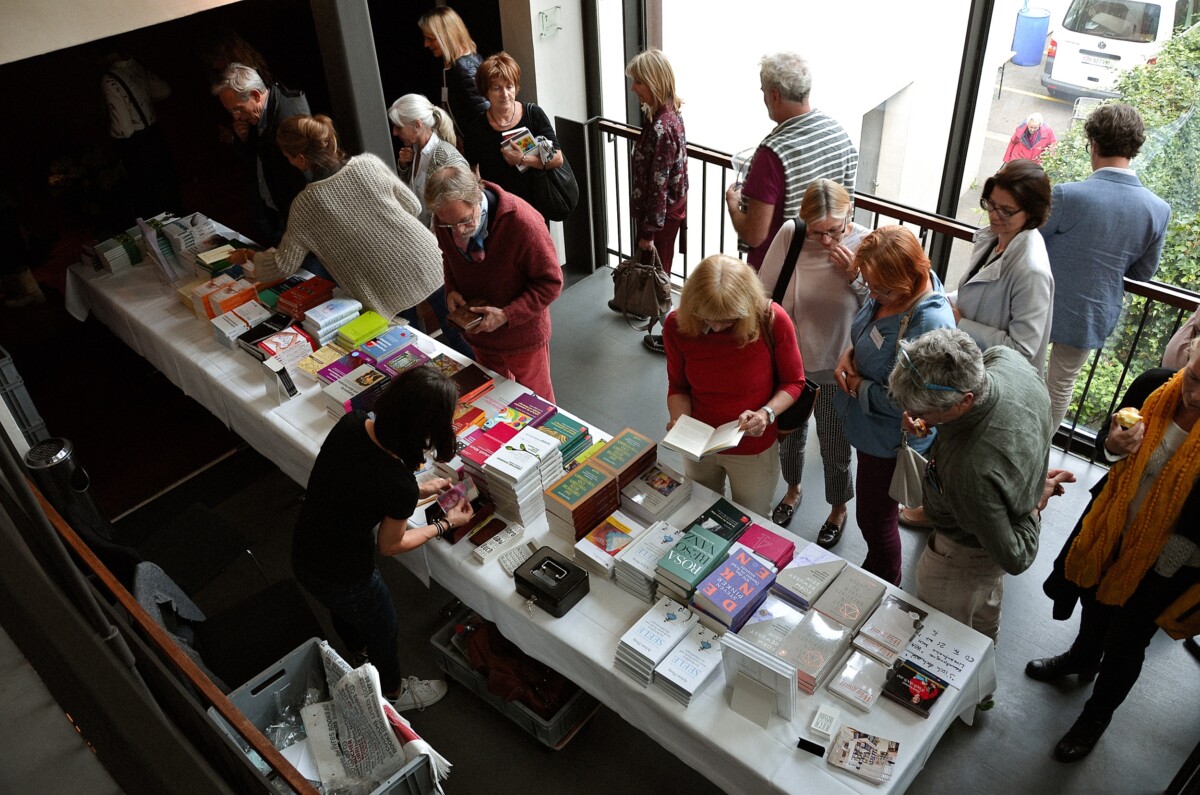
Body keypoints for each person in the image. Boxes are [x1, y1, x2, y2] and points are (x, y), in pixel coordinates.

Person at [1027, 337, 1200, 762]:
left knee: (1129, 638)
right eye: (1195, 377)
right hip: (1109, 525)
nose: (1195, 395)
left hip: (1167, 556)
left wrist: (1164, 566)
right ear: (1190, 354)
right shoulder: (1154, 386)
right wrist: (1111, 448)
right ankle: (1082, 658)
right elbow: (1109, 443)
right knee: (1093, 597)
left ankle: (1095, 718)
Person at [292, 365, 474, 710]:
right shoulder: (396, 482)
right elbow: (391, 545)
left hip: (305, 550)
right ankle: (393, 693)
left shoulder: (354, 422)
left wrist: (418, 490)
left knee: (344, 612)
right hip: (346, 573)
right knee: (383, 628)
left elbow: (361, 485)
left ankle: (358, 654)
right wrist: (445, 524)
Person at [889, 328, 1073, 645]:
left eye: (921, 413)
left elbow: (1016, 556)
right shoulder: (1007, 360)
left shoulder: (968, 470)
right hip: (984, 532)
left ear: (964, 402)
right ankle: (983, 693)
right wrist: (932, 421)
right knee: (983, 629)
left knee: (940, 643)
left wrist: (1032, 507)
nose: (912, 418)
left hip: (960, 559)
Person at [246, 115, 472, 357]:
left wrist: (252, 259)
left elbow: (283, 264)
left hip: (383, 284)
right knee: (458, 334)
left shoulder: (305, 205)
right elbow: (413, 206)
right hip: (425, 257)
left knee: (414, 349)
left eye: (288, 157)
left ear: (301, 159)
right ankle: (489, 384)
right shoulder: (368, 164)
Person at [832, 226, 956, 585]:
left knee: (875, 518)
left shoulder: (929, 324)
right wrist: (848, 353)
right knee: (873, 512)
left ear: (907, 278)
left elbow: (913, 402)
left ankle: (886, 580)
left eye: (878, 288)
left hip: (889, 440)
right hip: (870, 427)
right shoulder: (891, 291)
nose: (870, 293)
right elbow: (867, 333)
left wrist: (856, 385)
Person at [1040, 103, 1171, 430]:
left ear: (1094, 144)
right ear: (1134, 149)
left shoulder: (1068, 196)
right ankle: (1038, 452)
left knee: (1020, 373)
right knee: (1060, 386)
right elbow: (1142, 273)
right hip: (1092, 313)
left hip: (1039, 304)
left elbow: (1030, 242)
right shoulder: (1158, 210)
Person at [758, 179, 868, 547]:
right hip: (793, 365)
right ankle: (793, 490)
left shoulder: (866, 243)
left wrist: (856, 276)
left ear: (848, 211)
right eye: (817, 232)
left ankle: (838, 508)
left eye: (834, 230)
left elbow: (884, 308)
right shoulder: (792, 234)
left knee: (836, 446)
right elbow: (763, 293)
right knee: (789, 437)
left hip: (840, 368)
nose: (825, 241)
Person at [663, 254, 804, 517]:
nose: (716, 328)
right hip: (700, 444)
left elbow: (794, 382)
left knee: (752, 518)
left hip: (753, 446)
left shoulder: (771, 320)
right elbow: (679, 386)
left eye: (727, 320)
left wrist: (766, 414)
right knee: (699, 512)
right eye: (707, 318)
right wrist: (679, 420)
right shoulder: (677, 324)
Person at [425, 165, 562, 401]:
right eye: (450, 225)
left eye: (465, 221)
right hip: (480, 336)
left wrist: (507, 314)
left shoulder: (522, 222)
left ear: (477, 197)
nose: (457, 230)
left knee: (538, 404)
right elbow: (448, 256)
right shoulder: (445, 218)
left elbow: (551, 282)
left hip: (522, 339)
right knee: (494, 400)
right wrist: (451, 290)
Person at [724, 52, 857, 271]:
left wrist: (733, 205)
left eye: (763, 92)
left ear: (774, 95)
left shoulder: (772, 154)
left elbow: (754, 235)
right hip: (826, 266)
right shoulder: (838, 134)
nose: (764, 98)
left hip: (780, 274)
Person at [618, 48, 688, 354]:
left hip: (661, 216)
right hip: (669, 212)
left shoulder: (661, 127)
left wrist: (648, 233)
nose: (633, 87)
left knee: (660, 275)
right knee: (658, 268)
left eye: (638, 82)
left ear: (653, 82)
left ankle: (669, 336)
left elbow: (659, 185)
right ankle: (644, 308)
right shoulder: (668, 115)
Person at [212, 62, 310, 245]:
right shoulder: (258, 116)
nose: (236, 117)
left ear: (256, 95)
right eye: (230, 111)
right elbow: (257, 159)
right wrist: (244, 139)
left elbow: (305, 180)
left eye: (237, 108)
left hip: (300, 222)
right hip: (278, 211)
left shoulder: (289, 120)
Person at [463, 52, 566, 216]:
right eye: (497, 88)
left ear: (516, 87)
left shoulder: (533, 115)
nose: (505, 94)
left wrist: (523, 160)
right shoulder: (477, 129)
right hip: (500, 209)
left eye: (509, 86)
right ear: (486, 91)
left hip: (535, 205)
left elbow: (557, 158)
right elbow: (472, 170)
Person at [102, 51, 181, 218]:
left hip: (137, 144)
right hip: (155, 135)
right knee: (167, 187)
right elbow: (163, 90)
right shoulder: (136, 66)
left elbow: (123, 128)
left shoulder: (110, 79)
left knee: (151, 194)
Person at [388, 94, 468, 228]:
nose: (394, 132)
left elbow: (462, 208)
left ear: (417, 125)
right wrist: (403, 167)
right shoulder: (414, 150)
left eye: (399, 127)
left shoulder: (447, 158)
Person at [418, 6, 488, 147]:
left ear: (446, 36)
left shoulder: (463, 69)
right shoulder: (454, 65)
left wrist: (473, 155)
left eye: (430, 39)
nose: (426, 44)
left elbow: (485, 118)